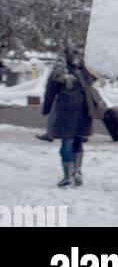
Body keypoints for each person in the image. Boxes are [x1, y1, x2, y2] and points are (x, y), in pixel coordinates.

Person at [41, 42, 92, 187]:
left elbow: (51, 90)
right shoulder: (85, 67)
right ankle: (77, 171)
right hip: (83, 109)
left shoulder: (60, 69)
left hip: (66, 109)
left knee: (67, 141)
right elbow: (92, 81)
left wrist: (46, 108)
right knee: (78, 140)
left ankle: (68, 176)